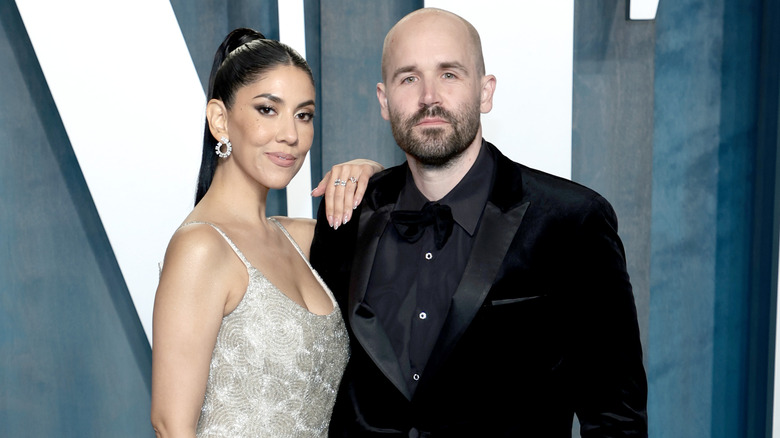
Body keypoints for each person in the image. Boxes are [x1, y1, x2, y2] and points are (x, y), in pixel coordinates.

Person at [310, 8, 648, 437]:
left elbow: (616, 419)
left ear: (485, 92)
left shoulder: (572, 222)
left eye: (449, 74)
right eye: (408, 78)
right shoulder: (348, 213)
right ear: (383, 100)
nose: (429, 96)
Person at [150, 28, 381, 438]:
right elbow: (172, 427)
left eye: (303, 115)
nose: (290, 135)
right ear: (220, 120)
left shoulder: (301, 240)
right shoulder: (201, 248)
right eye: (267, 110)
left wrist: (371, 175)